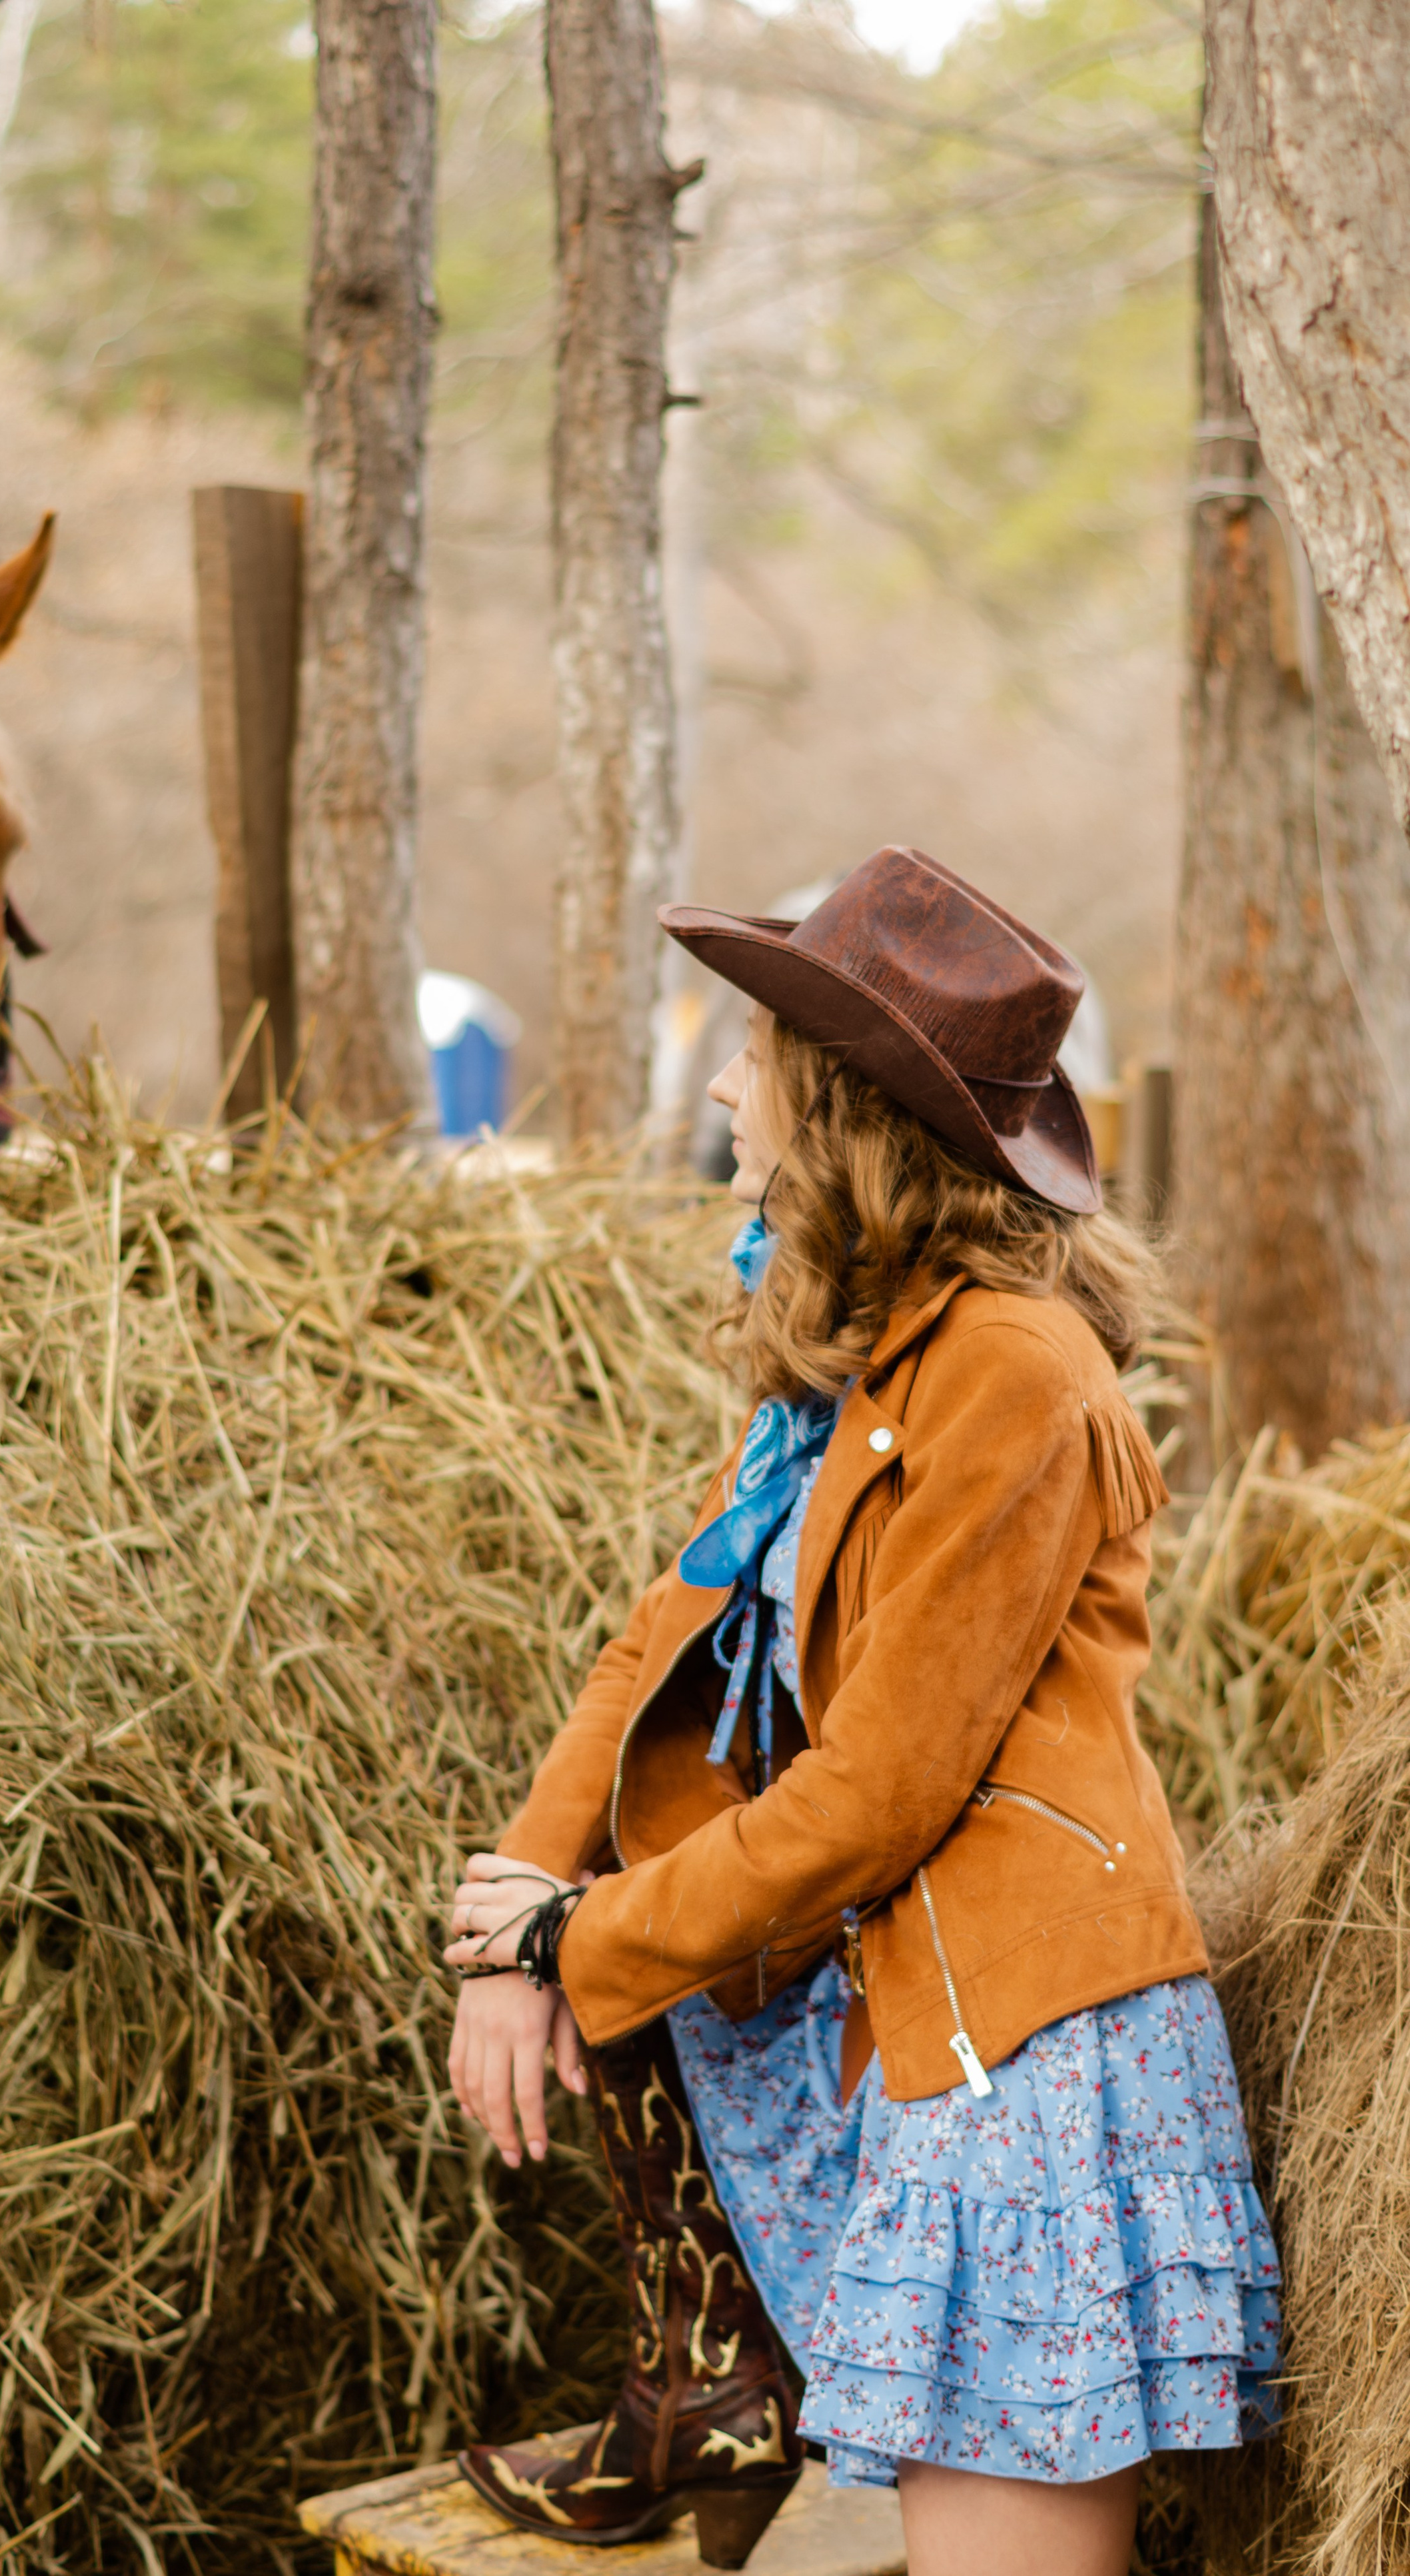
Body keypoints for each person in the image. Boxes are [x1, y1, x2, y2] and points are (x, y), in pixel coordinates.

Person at [442, 850, 1280, 2576]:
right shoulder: (861, 1366)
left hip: (1025, 2061)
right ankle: (703, 2391)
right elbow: (657, 1642)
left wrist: (578, 1942)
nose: (725, 1090)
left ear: (842, 1111)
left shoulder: (1011, 1375)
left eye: (756, 1057)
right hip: (929, 2042)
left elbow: (877, 1792)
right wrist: (508, 1921)